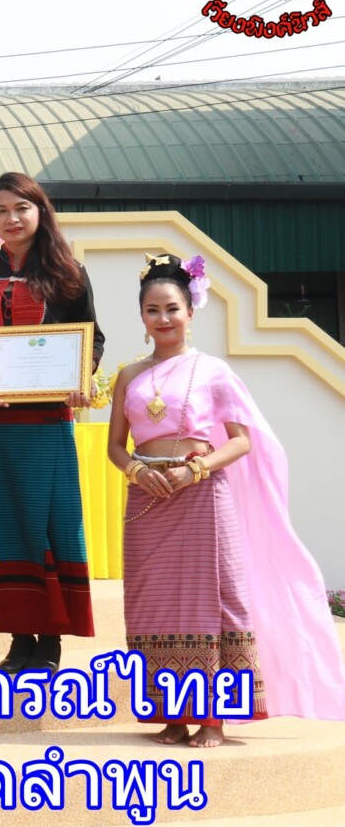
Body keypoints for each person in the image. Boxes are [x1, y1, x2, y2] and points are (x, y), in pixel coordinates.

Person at [107, 254, 345, 747]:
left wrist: (193, 469)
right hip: (147, 500)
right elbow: (115, 444)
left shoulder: (212, 372)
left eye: (172, 308)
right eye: (152, 310)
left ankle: (213, 719)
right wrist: (136, 470)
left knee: (212, 603)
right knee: (151, 605)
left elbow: (240, 440)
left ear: (191, 312)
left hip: (201, 499)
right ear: (142, 317)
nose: (163, 319)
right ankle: (171, 715)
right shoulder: (128, 376)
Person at [0, 172, 105, 673]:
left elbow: (93, 339)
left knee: (51, 524)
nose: (12, 219)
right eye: (1, 211)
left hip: (47, 423)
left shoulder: (69, 274)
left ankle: (53, 640)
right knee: (3, 527)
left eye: (21, 208)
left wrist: (81, 374)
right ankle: (20, 639)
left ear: (39, 211)